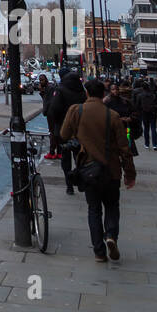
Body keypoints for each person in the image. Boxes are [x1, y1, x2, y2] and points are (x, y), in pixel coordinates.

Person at [61, 77, 136, 262]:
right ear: (104, 94)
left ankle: (99, 252)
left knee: (93, 209)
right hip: (111, 170)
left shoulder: (76, 110)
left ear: (87, 93)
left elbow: (63, 134)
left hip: (88, 170)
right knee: (112, 206)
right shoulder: (113, 116)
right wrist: (130, 174)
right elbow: (124, 148)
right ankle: (111, 235)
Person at [47, 68, 86, 185]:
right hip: (79, 129)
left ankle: (69, 184)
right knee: (79, 155)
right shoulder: (82, 91)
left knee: (65, 157)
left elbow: (53, 110)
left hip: (63, 128)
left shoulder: (61, 90)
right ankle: (80, 179)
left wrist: (56, 125)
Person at [133, 75, 157, 150]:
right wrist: (155, 111)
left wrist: (140, 111)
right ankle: (155, 145)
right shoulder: (153, 95)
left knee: (146, 128)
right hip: (152, 113)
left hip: (144, 113)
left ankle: (147, 144)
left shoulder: (140, 95)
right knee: (153, 128)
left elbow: (137, 106)